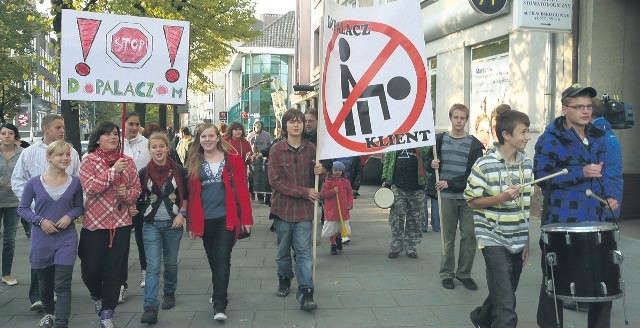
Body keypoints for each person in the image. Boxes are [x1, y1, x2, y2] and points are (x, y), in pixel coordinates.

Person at [534, 84, 619, 328]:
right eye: (579, 106)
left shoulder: (597, 136)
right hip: (562, 221)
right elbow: (542, 176)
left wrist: (609, 200)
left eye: (588, 106)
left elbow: (604, 175)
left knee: (602, 284)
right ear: (565, 109)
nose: (585, 111)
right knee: (554, 282)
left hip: (595, 221)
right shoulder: (550, 138)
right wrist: (579, 172)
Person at [465, 110, 534, 328]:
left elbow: (525, 206)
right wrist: (501, 198)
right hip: (492, 237)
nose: (527, 136)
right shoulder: (484, 165)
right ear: (506, 134)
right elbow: (471, 201)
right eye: (523, 132)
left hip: (517, 237)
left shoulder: (527, 165)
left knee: (504, 289)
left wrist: (526, 240)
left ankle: (481, 317)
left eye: (527, 131)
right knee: (506, 302)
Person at [11, 114, 80, 312]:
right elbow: (18, 179)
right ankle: (39, 296)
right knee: (39, 258)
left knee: (61, 262)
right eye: (58, 127)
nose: (62, 130)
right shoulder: (29, 153)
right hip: (37, 212)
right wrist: (33, 205)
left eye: (63, 127)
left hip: (63, 214)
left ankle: (58, 294)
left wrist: (71, 208)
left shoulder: (72, 152)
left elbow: (77, 179)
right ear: (45, 129)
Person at [185, 123, 253, 322]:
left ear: (218, 137)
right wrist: (190, 223)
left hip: (226, 217)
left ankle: (220, 304)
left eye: (211, 136)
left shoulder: (233, 160)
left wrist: (246, 219)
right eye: (203, 136)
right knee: (213, 259)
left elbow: (242, 190)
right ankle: (218, 290)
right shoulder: (194, 162)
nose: (207, 140)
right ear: (199, 140)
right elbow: (191, 194)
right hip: (204, 219)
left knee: (222, 258)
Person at [79, 121, 141, 328]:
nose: (113, 137)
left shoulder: (128, 162)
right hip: (95, 225)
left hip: (120, 224)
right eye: (107, 134)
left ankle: (108, 312)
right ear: (97, 139)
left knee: (114, 270)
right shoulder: (89, 161)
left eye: (115, 134)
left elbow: (136, 190)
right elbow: (91, 187)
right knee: (90, 270)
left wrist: (127, 195)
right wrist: (114, 171)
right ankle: (97, 296)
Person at [268, 108, 323, 312]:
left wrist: (321, 171)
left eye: (300, 121)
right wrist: (304, 191)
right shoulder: (276, 149)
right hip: (282, 210)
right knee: (283, 252)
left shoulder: (312, 149)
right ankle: (284, 278)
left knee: (303, 251)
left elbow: (319, 182)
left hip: (304, 212)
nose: (297, 124)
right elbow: (275, 181)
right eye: (292, 121)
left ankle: (306, 292)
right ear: (285, 126)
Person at [426, 103, 484, 290]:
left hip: (468, 197)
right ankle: (447, 273)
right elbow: (429, 164)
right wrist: (432, 164)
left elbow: (473, 174)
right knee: (447, 236)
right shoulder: (439, 141)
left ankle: (464, 273)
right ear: (450, 118)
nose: (459, 121)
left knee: (469, 235)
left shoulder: (474, 145)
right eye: (456, 118)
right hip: (447, 197)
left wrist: (451, 183)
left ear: (466, 120)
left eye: (462, 118)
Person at [138, 132, 188, 324]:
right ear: (149, 150)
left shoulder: (180, 171)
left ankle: (169, 292)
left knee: (171, 262)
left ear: (168, 148)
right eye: (154, 147)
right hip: (151, 225)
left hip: (173, 224)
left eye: (161, 146)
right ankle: (150, 306)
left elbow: (187, 196)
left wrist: (182, 214)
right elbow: (138, 197)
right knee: (152, 266)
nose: (158, 150)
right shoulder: (143, 173)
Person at [121, 111, 151, 303]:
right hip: (120, 201)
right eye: (130, 124)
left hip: (141, 200)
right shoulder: (117, 143)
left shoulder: (146, 144)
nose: (133, 127)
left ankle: (145, 270)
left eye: (137, 124)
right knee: (121, 243)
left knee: (143, 238)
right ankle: (121, 283)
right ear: (123, 123)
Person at [382, 146, 430, 259]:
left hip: (417, 187)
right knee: (396, 217)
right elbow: (387, 161)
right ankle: (396, 245)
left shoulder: (422, 142)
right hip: (398, 186)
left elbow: (427, 156)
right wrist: (385, 179)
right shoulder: (394, 143)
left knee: (415, 218)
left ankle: (411, 247)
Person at [0, 123, 23, 286]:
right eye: (3, 133)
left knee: (9, 239)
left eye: (10, 133)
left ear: (15, 136)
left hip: (14, 202)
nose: (6, 136)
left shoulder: (23, 154)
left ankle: (6, 273)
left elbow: (28, 174)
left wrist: (18, 183)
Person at [320, 161, 353, 255]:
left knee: (340, 227)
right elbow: (323, 194)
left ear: (342, 171)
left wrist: (350, 203)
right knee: (332, 228)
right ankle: (333, 245)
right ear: (332, 171)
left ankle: (339, 239)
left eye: (339, 170)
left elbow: (350, 193)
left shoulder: (346, 182)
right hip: (332, 210)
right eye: (335, 170)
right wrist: (332, 191)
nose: (337, 172)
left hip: (343, 209)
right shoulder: (328, 181)